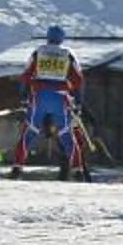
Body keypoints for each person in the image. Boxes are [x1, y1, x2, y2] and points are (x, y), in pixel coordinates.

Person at [13, 25, 87, 179]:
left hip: (40, 96)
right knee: (66, 135)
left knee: (30, 132)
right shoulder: (68, 54)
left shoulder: (38, 52)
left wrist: (23, 97)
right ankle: (78, 170)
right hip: (60, 97)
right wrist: (78, 101)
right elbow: (78, 79)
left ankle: (17, 166)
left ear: (47, 37)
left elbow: (26, 75)